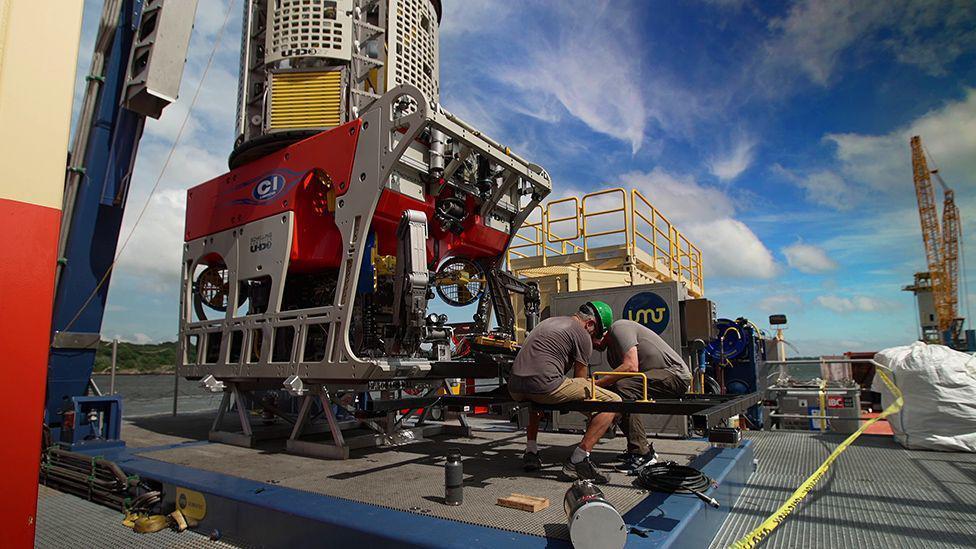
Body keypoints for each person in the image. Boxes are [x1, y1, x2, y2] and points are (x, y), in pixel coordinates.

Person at [507, 301, 619, 484]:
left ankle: (531, 451)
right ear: (590, 324)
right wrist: (594, 413)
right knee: (613, 402)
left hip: (515, 387)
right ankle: (579, 460)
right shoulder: (582, 334)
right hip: (543, 387)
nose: (594, 339)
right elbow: (581, 381)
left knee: (535, 400)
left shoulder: (548, 322)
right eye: (595, 334)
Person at [594, 319, 692, 472]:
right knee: (616, 391)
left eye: (590, 337)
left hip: (675, 376)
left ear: (601, 330)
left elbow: (631, 367)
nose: (591, 344)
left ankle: (642, 453)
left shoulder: (619, 328)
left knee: (622, 387)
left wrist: (597, 384)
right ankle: (636, 449)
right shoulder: (612, 353)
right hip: (659, 377)